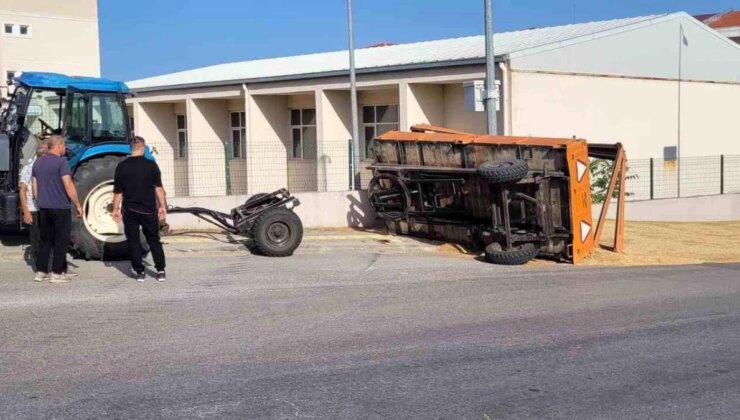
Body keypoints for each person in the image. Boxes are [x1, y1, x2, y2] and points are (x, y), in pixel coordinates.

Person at [112, 136, 167, 282]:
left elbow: (118, 191)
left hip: (130, 210)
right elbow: (159, 189)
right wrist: (162, 207)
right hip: (149, 209)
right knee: (154, 239)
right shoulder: (151, 165)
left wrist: (115, 209)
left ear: (131, 148)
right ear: (143, 148)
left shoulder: (122, 166)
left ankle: (139, 272)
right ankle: (160, 270)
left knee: (133, 241)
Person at [32, 135, 83, 283]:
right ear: (58, 145)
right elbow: (68, 184)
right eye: (64, 145)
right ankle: (56, 273)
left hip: (44, 207)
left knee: (45, 240)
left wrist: (40, 200)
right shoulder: (62, 162)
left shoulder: (38, 162)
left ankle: (41, 272)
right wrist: (78, 204)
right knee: (61, 240)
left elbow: (35, 185)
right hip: (60, 206)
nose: (65, 148)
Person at [19, 141, 48, 270]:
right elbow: (22, 190)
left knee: (46, 238)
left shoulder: (46, 166)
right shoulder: (29, 168)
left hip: (46, 207)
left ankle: (47, 265)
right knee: (36, 240)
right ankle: (40, 268)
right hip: (34, 209)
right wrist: (26, 211)